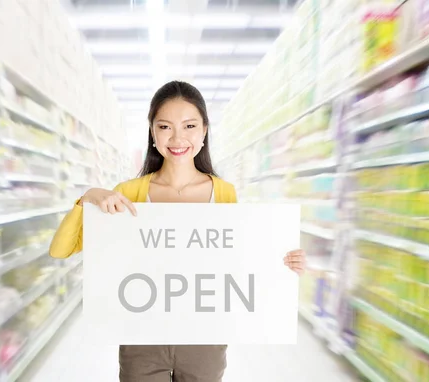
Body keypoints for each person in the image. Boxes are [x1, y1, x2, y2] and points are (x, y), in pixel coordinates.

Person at [49, 80, 306, 382]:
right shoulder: (127, 193)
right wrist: (88, 198)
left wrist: (283, 261)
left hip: (204, 338)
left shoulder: (224, 192)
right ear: (152, 132)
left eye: (189, 126)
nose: (177, 137)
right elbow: (60, 250)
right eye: (165, 126)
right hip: (142, 337)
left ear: (204, 131)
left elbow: (236, 261)